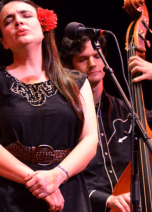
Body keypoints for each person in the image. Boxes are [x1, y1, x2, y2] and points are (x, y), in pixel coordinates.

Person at [0, 0, 98, 212]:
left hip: (67, 191)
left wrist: (57, 176)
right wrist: (39, 182)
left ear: (43, 26)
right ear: (3, 41)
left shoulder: (76, 81)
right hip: (10, 197)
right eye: (8, 21)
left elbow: (90, 139)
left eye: (26, 15)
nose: (18, 22)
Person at [60, 34, 152, 212]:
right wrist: (107, 200)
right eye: (83, 59)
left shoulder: (128, 111)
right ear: (70, 67)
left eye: (96, 56)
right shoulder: (64, 118)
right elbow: (62, 178)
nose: (93, 64)